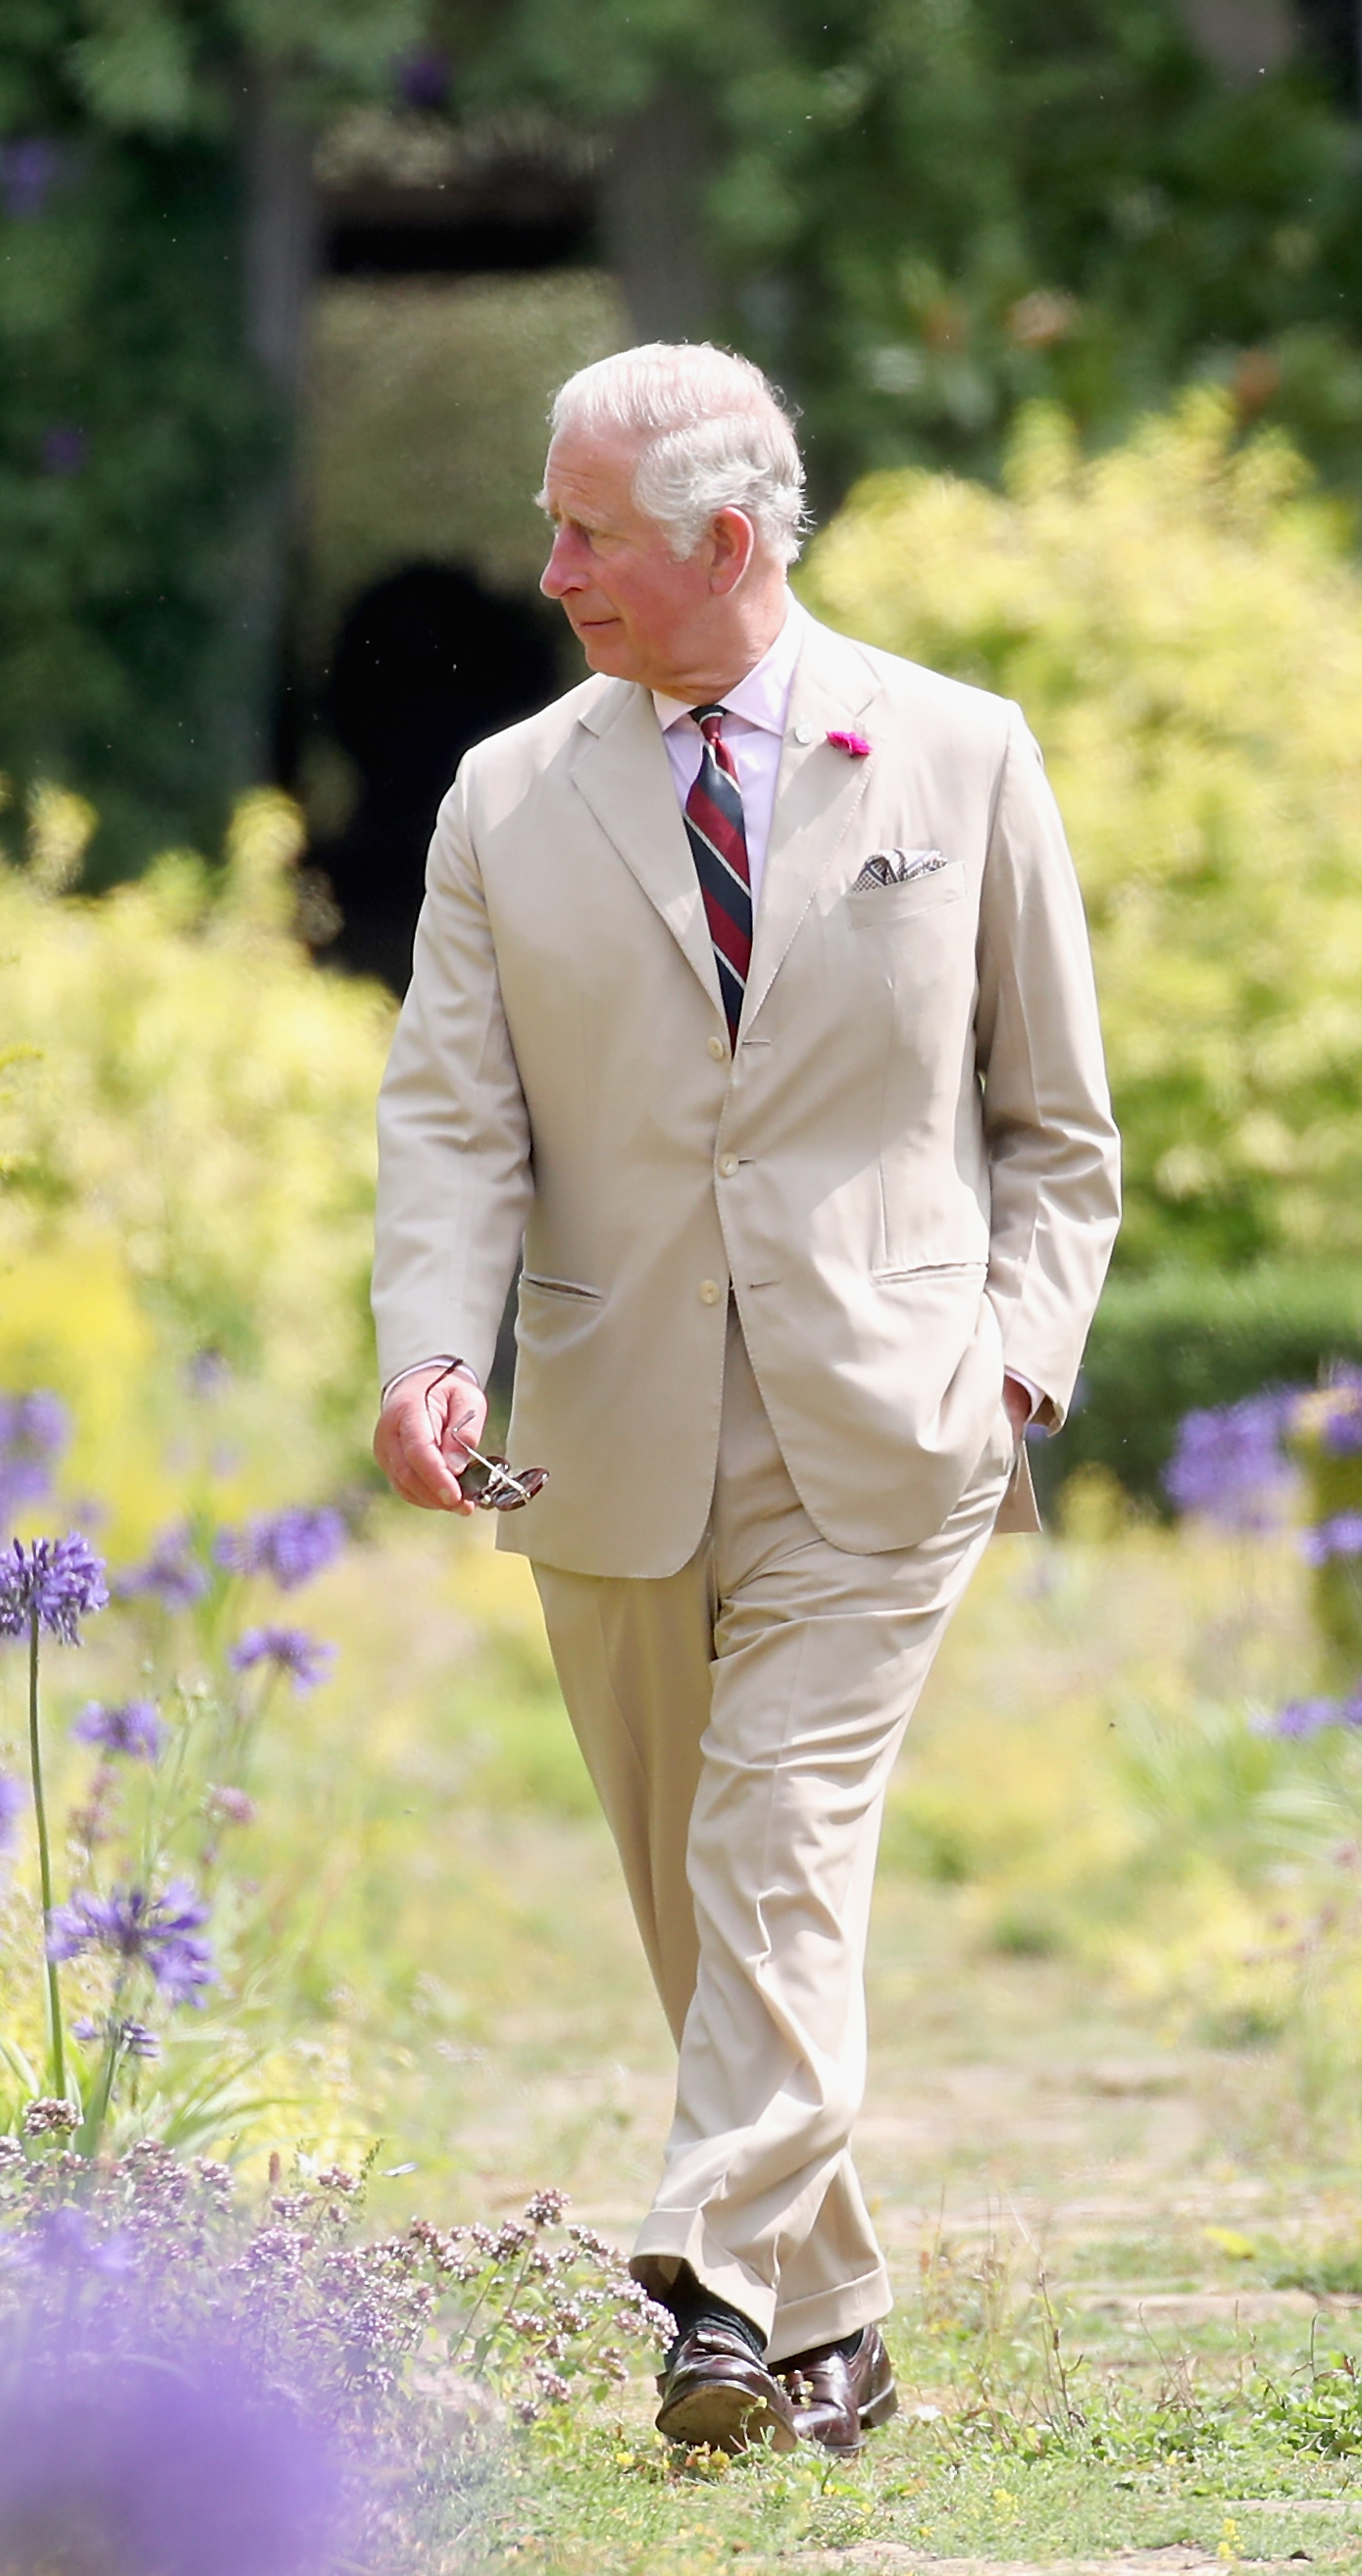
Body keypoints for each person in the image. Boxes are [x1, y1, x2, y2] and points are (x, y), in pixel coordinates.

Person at [370, 342, 1120, 2454]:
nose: (549, 568)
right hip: (606, 1422)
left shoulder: (959, 760)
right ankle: (827, 2335)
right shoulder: (506, 798)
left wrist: (1017, 1348)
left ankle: (703, 2269)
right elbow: (451, 1117)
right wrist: (429, 1346)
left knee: (773, 1839)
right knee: (699, 1902)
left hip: (888, 1423)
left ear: (727, 540)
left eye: (586, 531)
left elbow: (1054, 1122)